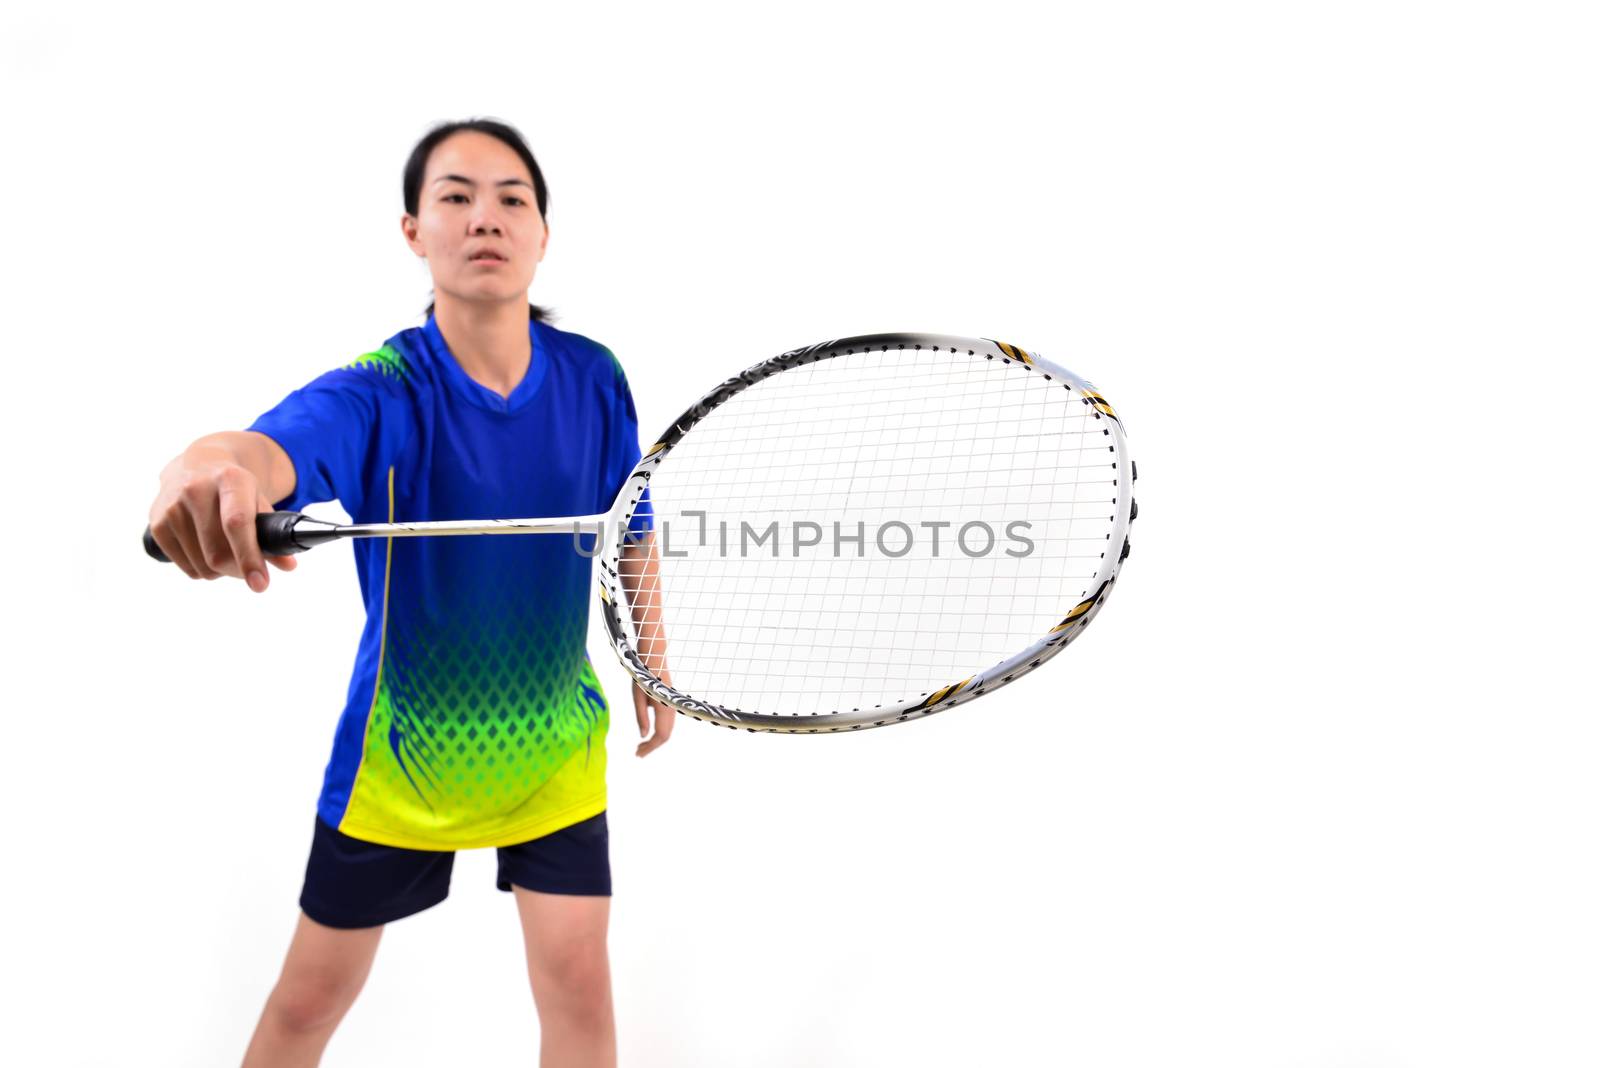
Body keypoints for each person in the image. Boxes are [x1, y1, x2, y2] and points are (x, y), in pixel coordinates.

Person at [146, 117, 671, 1068]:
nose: (487, 218)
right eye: (456, 197)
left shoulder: (595, 378)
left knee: (581, 992)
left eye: (513, 198)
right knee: (307, 1004)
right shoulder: (381, 389)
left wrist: (654, 657)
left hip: (553, 744)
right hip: (403, 758)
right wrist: (203, 465)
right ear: (413, 232)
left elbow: (631, 520)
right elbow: (264, 451)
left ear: (544, 234)